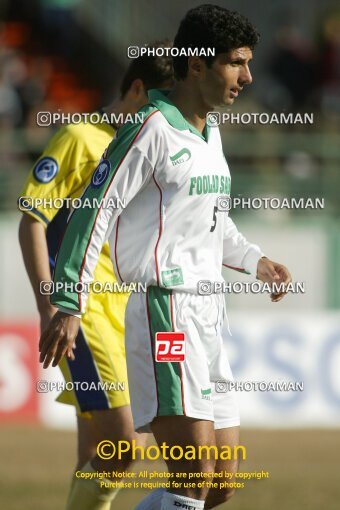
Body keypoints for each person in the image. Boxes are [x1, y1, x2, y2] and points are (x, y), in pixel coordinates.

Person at [39, 5, 292, 510]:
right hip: (166, 313)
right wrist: (69, 302)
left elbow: (217, 226)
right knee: (192, 475)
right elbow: (93, 211)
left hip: (210, 315)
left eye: (248, 63)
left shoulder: (210, 134)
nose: (248, 76)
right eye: (236, 63)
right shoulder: (150, 128)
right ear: (197, 66)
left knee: (220, 484)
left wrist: (255, 260)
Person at [18, 41, 174, 510]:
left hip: (128, 314)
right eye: (162, 102)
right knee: (125, 445)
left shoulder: (145, 147)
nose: (167, 115)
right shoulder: (80, 137)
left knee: (99, 452)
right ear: (138, 88)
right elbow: (33, 219)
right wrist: (51, 303)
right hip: (81, 316)